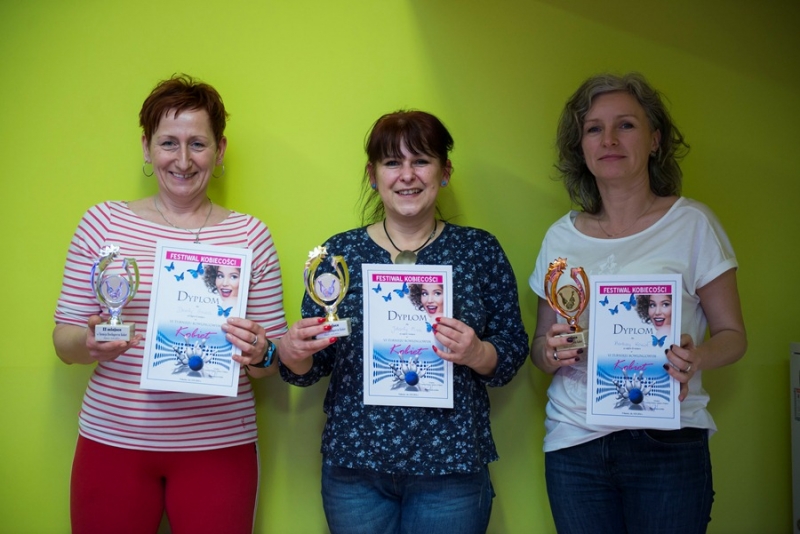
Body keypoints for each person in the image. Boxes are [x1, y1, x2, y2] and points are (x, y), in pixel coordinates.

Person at [52, 74, 286, 534]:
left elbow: (272, 361)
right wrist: (90, 343)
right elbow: (63, 341)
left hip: (220, 445)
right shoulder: (102, 224)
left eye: (197, 144)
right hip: (113, 440)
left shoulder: (250, 235)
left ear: (219, 150)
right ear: (146, 147)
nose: (182, 160)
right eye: (168, 143)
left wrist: (262, 351)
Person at [277, 110, 529, 534]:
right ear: (373, 175)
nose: (407, 175)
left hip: (451, 466)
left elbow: (512, 349)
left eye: (421, 161)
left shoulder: (478, 250)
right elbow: (313, 365)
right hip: (355, 467)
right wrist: (293, 352)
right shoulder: (339, 254)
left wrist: (477, 352)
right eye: (392, 162)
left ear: (445, 171)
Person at [529, 73, 747, 533]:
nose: (608, 139)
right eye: (594, 129)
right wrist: (551, 351)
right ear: (581, 147)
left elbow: (733, 336)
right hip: (574, 442)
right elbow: (541, 348)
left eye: (625, 125)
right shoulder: (559, 238)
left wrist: (697, 357)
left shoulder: (693, 224)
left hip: (669, 440)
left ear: (655, 140)